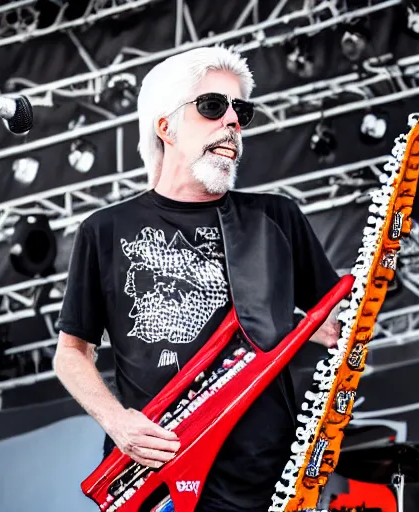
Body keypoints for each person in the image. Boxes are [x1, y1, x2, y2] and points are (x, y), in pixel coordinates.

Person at [53, 46, 341, 512]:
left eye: (240, 110)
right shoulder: (104, 230)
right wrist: (119, 423)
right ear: (164, 125)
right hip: (156, 480)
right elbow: (71, 353)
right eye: (212, 106)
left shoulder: (276, 218)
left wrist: (335, 328)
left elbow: (338, 322)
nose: (232, 122)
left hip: (266, 480)